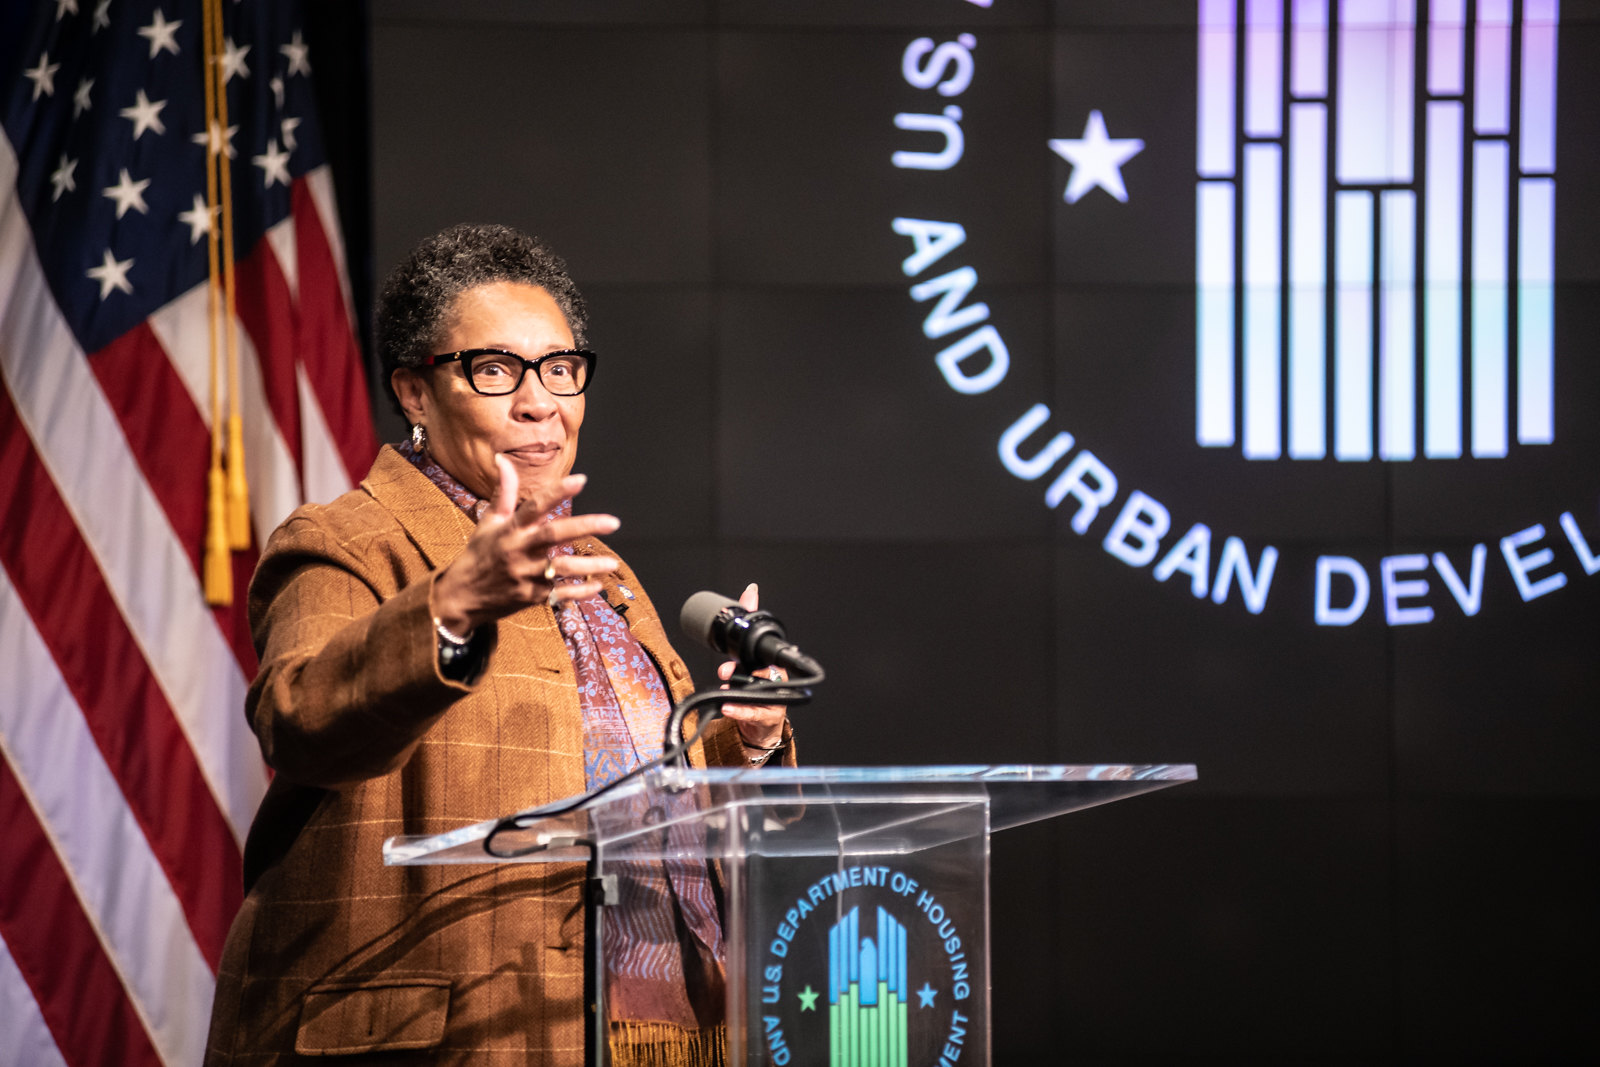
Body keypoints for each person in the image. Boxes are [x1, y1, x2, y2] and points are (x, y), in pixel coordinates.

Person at [204, 223, 792, 1065]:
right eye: (495, 370)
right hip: (440, 1035)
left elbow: (635, 798)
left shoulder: (600, 570)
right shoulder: (347, 541)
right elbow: (301, 719)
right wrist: (449, 604)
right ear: (414, 391)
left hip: (638, 1029)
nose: (539, 401)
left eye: (560, 368)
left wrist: (745, 741)